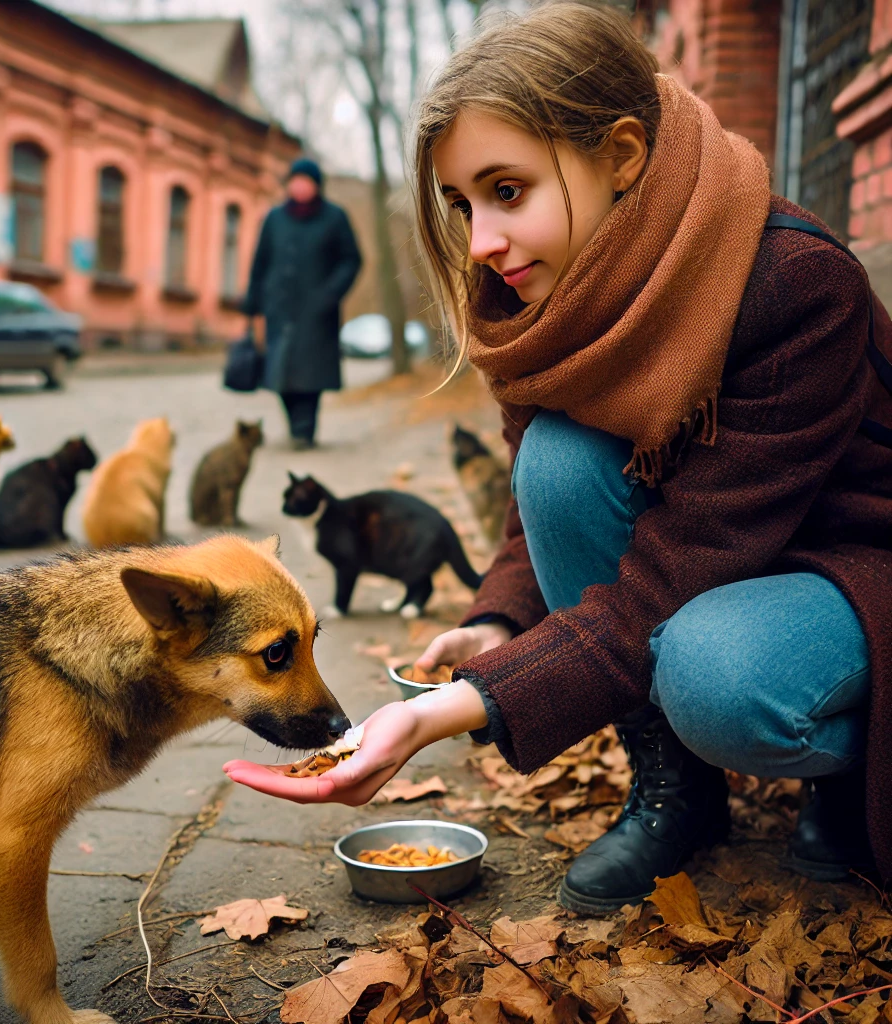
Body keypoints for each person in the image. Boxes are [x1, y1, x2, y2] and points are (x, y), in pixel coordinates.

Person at [224, 2, 892, 912]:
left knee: (715, 674)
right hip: (718, 555)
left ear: (619, 156)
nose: (484, 242)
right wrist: (500, 619)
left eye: (508, 191)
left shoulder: (793, 283)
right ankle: (677, 790)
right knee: (557, 459)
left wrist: (448, 710)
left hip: (851, 562)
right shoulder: (532, 306)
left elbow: (674, 570)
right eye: (462, 204)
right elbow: (535, 502)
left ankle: (844, 767)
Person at [244, 157, 362, 450]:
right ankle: (296, 424)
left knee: (311, 374)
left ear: (316, 186)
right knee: (279, 371)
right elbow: (260, 262)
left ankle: (304, 429)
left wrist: (330, 293)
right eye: (294, 181)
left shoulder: (335, 217)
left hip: (316, 312)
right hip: (279, 308)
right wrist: (253, 302)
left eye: (305, 181)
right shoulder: (274, 218)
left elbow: (351, 260)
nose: (299, 186)